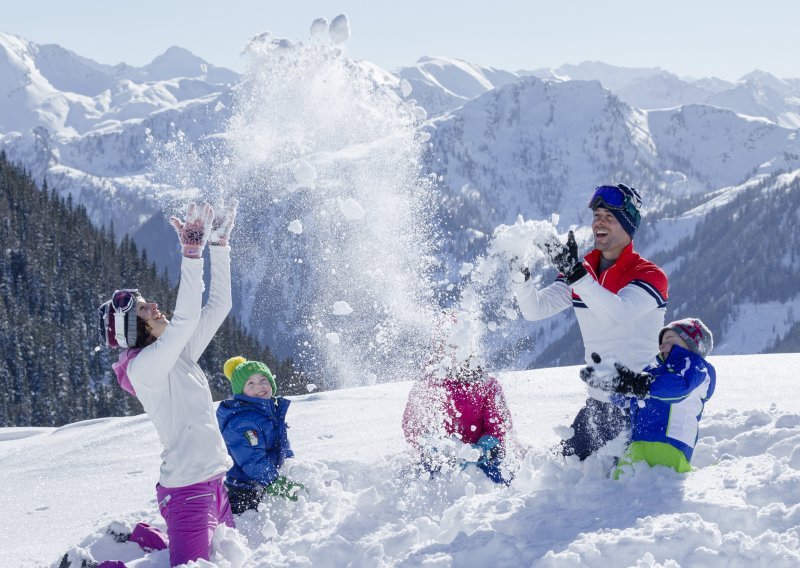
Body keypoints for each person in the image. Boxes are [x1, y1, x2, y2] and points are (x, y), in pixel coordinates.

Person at [98, 198, 239, 567]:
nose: (155, 306)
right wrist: (191, 253)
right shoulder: (146, 368)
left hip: (215, 485)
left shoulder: (177, 353)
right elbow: (188, 315)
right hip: (188, 493)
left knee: (231, 556)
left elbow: (219, 306)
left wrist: (219, 246)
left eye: (148, 302)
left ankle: (146, 538)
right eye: (145, 309)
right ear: (135, 330)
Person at [515, 184, 669, 461]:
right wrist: (520, 278)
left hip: (641, 408)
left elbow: (619, 314)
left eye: (609, 217)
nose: (599, 221)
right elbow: (535, 309)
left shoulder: (649, 275)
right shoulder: (583, 269)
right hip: (596, 407)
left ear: (628, 227)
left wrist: (577, 275)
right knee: (561, 483)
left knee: (622, 496)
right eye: (597, 215)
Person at [579, 318, 716, 477]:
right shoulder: (653, 372)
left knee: (658, 492)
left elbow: (679, 388)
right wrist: (614, 385)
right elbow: (629, 401)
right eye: (661, 342)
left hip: (669, 447)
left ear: (693, 344)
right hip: (636, 447)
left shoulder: (695, 366)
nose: (662, 345)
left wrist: (638, 383)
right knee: (617, 495)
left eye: (670, 340)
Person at [403, 338, 515, 485]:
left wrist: (483, 449)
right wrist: (431, 445)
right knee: (420, 483)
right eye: (447, 345)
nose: (453, 352)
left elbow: (498, 425)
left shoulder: (487, 385)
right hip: (440, 459)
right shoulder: (427, 386)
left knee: (499, 480)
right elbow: (413, 425)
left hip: (482, 457)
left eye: (458, 345)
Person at [216, 356, 303, 513]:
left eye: (263, 379)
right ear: (240, 392)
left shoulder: (270, 413)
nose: (259, 386)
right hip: (245, 491)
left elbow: (282, 445)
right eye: (251, 383)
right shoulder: (243, 421)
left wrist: (291, 465)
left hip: (267, 482)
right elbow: (251, 459)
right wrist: (274, 481)